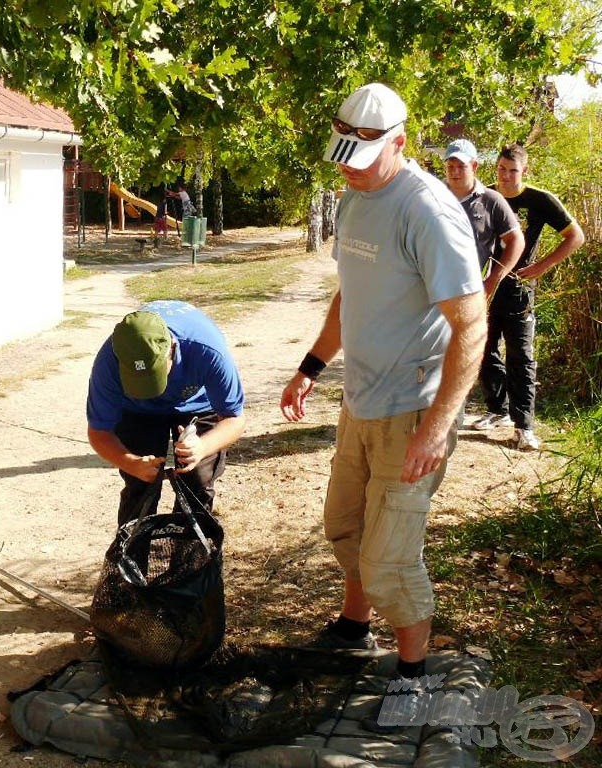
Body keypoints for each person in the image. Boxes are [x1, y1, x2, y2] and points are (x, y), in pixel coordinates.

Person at [280, 84, 486, 708]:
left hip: (413, 409)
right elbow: (350, 291)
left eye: (362, 159)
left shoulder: (426, 210)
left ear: (398, 143)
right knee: (344, 528)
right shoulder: (351, 197)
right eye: (342, 156)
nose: (349, 168)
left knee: (391, 562)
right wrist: (312, 365)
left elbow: (471, 322)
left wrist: (436, 428)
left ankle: (412, 676)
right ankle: (353, 626)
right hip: (360, 401)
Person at [86, 300, 245, 526]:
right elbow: (99, 431)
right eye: (139, 379)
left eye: (155, 375)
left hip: (197, 406)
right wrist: (131, 463)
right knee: (140, 485)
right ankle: (134, 556)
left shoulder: (207, 349)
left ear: (172, 347)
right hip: (137, 410)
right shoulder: (108, 362)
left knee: (198, 480)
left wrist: (202, 447)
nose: (151, 387)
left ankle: (190, 556)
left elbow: (234, 418)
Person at [473, 143, 586, 450]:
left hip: (518, 287)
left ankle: (524, 427)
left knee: (520, 355)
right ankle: (497, 410)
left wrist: (541, 266)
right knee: (482, 348)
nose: (506, 176)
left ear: (524, 171)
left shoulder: (539, 199)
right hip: (483, 285)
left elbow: (575, 236)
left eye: (513, 171)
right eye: (501, 169)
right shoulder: (484, 196)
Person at [442, 139, 524, 299]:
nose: (455, 172)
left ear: (474, 166)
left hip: (470, 292)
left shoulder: (491, 200)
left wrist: (492, 281)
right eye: (450, 167)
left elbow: (516, 240)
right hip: (430, 291)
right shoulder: (432, 195)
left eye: (461, 166)